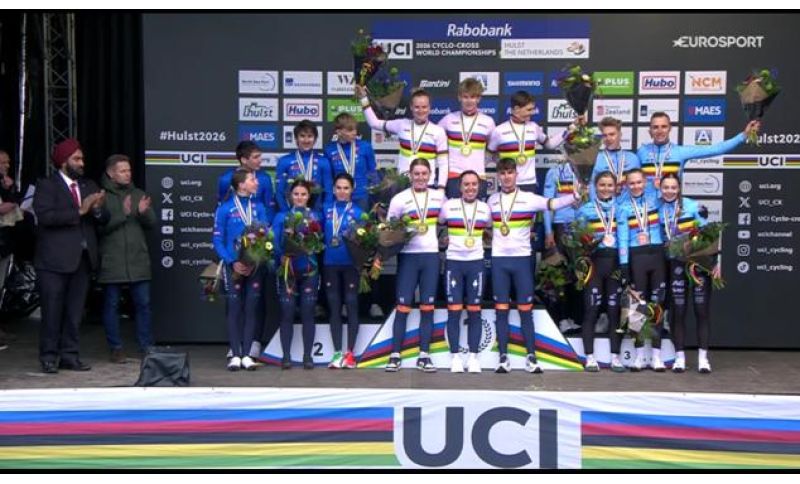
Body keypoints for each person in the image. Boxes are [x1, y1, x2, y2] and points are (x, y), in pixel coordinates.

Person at [488, 158, 581, 374]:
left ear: (517, 175)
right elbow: (480, 223)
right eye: (503, 173)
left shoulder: (528, 198)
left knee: (525, 310)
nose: (506, 177)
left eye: (510, 172)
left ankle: (531, 356)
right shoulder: (491, 200)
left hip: (521, 260)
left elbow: (553, 204)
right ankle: (503, 357)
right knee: (501, 310)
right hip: (499, 260)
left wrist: (575, 196)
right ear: (498, 177)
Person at [33, 138, 109, 374]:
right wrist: (80, 210)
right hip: (53, 262)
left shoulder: (89, 185)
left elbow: (104, 219)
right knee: (52, 311)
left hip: (82, 260)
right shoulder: (47, 185)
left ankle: (70, 355)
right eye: (76, 159)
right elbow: (46, 217)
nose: (81, 163)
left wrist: (97, 209)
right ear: (63, 162)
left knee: (75, 312)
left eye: (82, 158)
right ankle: (49, 356)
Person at [385, 158, 446, 372]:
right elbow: (389, 229)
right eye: (416, 173)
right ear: (410, 175)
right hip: (408, 257)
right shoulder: (399, 199)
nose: (420, 177)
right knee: (403, 307)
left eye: (424, 173)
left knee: (427, 307)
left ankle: (424, 355)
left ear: (430, 175)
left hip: (430, 256)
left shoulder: (439, 197)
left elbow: (449, 220)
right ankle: (395, 354)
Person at [97, 154, 156, 363]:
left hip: (137, 259)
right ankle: (116, 348)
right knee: (112, 305)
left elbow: (152, 223)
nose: (127, 174)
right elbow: (99, 229)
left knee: (143, 304)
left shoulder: (138, 193)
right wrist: (123, 214)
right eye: (122, 171)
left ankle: (146, 346)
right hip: (112, 260)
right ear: (111, 174)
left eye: (129, 170)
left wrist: (142, 212)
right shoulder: (102, 196)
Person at [659, 173, 717, 373]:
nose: (669, 191)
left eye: (673, 187)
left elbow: (709, 233)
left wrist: (715, 262)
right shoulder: (657, 209)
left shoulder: (693, 206)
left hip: (697, 263)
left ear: (679, 188)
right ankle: (679, 358)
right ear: (660, 189)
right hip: (675, 264)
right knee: (678, 312)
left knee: (701, 311)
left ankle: (703, 359)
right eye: (666, 187)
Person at [213, 169, 269, 371]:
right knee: (234, 309)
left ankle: (247, 355)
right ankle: (235, 354)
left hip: (255, 266)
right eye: (252, 179)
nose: (257, 182)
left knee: (251, 309)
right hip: (233, 267)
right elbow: (217, 240)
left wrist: (255, 259)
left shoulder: (259, 207)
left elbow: (266, 235)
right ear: (241, 185)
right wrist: (231, 261)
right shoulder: (224, 209)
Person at [439, 170, 491, 373]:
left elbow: (489, 229)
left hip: (476, 263)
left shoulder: (485, 209)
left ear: (479, 186)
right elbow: (439, 225)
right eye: (466, 184)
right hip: (454, 263)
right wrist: (443, 239)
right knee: (454, 311)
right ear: (460, 187)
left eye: (474, 184)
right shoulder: (448, 207)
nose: (470, 188)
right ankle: (455, 357)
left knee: (475, 310)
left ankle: (473, 357)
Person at [616, 168, 666, 372]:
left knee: (657, 305)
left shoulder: (656, 200)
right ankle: (638, 356)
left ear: (645, 182)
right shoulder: (622, 207)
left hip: (657, 256)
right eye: (632, 183)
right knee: (636, 307)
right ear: (626, 185)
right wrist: (624, 265)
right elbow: (622, 238)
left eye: (639, 182)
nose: (636, 186)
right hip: (636, 258)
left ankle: (656, 357)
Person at [576, 171, 624, 372]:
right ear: (595, 187)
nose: (606, 188)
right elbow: (578, 238)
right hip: (594, 265)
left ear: (616, 187)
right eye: (602, 185)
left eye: (609, 185)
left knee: (615, 312)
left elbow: (625, 239)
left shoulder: (621, 209)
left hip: (615, 265)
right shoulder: (585, 209)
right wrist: (584, 244)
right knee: (591, 310)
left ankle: (615, 357)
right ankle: (589, 357)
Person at [272, 179, 322, 370]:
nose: (299, 198)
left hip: (309, 269)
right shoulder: (281, 217)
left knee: (308, 312)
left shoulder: (315, 216)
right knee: (287, 312)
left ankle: (308, 356)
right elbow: (275, 242)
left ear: (309, 197)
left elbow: (320, 242)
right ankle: (286, 356)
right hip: (288, 270)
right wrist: (282, 255)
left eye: (303, 194)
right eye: (296, 194)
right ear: (290, 196)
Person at [637, 112, 759, 190]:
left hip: (672, 209)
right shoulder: (642, 152)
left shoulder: (680, 152)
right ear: (650, 131)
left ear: (670, 129)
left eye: (664, 127)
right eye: (655, 127)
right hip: (646, 210)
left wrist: (743, 135)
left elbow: (716, 149)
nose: (660, 131)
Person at [357, 85, 448, 188]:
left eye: (424, 107)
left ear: (430, 108)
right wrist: (363, 99)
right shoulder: (401, 125)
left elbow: (443, 163)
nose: (420, 110)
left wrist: (441, 187)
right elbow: (374, 123)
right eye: (417, 107)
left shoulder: (438, 131)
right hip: (403, 184)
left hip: (427, 185)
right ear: (411, 107)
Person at [322, 173, 363, 369]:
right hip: (330, 264)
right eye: (338, 187)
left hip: (351, 266)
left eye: (346, 188)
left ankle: (350, 354)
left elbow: (365, 241)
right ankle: (337, 353)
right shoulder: (325, 209)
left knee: (352, 304)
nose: (342, 191)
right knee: (334, 306)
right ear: (333, 189)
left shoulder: (359, 212)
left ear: (352, 190)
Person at [437, 78, 496, 199]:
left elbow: (493, 148)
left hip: (478, 177)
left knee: (477, 211)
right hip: (454, 177)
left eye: (473, 97)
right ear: (459, 97)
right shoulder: (448, 120)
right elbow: (433, 137)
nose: (469, 101)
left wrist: (482, 162)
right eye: (465, 97)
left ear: (478, 98)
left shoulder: (488, 122)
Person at [542, 162, 580, 332]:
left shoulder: (591, 171)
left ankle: (577, 317)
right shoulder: (555, 172)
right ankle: (562, 318)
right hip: (560, 227)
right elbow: (547, 204)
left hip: (583, 228)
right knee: (559, 276)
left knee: (581, 276)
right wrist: (548, 231)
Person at [323, 112, 377, 212]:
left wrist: (375, 195)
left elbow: (372, 172)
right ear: (339, 132)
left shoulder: (365, 146)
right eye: (350, 130)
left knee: (361, 222)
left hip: (361, 196)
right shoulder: (329, 149)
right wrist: (329, 200)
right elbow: (328, 178)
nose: (354, 133)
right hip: (339, 196)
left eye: (355, 129)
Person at [275, 120, 333, 212]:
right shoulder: (284, 161)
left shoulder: (323, 162)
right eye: (302, 136)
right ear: (296, 138)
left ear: (315, 139)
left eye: (310, 136)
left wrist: (324, 214)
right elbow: (279, 192)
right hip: (292, 213)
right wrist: (287, 213)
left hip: (316, 213)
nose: (306, 140)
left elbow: (328, 192)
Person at [217, 140, 276, 223]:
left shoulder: (265, 178)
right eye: (255, 157)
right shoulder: (226, 179)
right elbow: (222, 207)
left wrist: (264, 227)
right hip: (234, 225)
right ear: (244, 160)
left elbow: (269, 208)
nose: (260, 160)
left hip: (258, 227)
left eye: (260, 156)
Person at [590, 117, 641, 199]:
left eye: (612, 134)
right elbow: (592, 187)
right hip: (605, 205)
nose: (608, 138)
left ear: (620, 135)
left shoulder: (633, 158)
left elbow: (639, 186)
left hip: (629, 205)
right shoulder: (596, 159)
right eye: (605, 135)